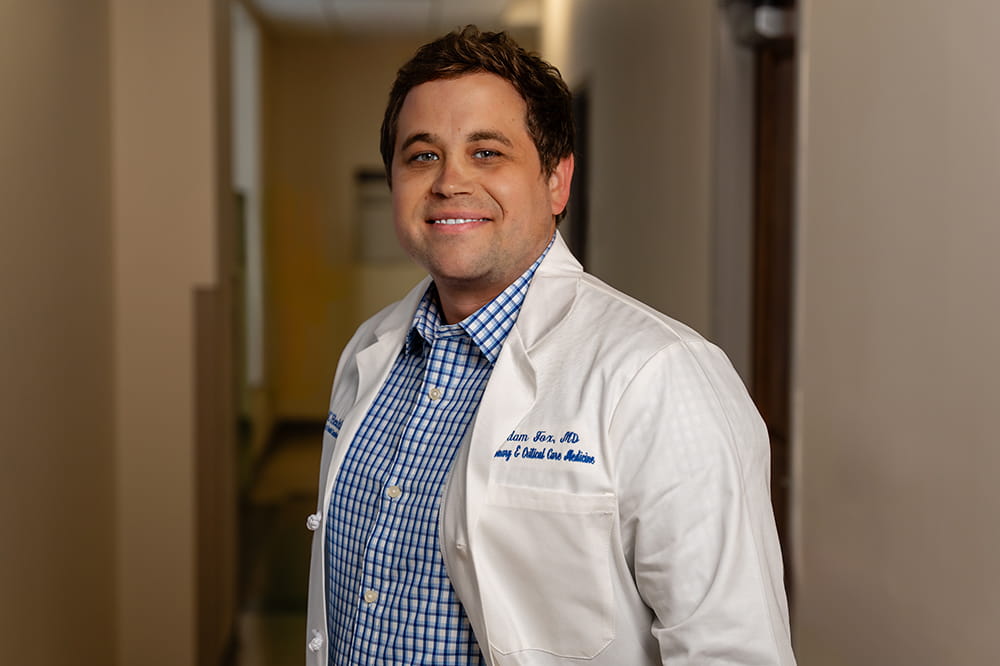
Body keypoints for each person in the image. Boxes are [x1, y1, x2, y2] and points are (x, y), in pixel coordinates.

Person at [305, 25, 796, 666]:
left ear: (557, 181)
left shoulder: (661, 376)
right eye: (422, 155)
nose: (450, 181)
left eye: (487, 153)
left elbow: (733, 651)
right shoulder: (369, 353)